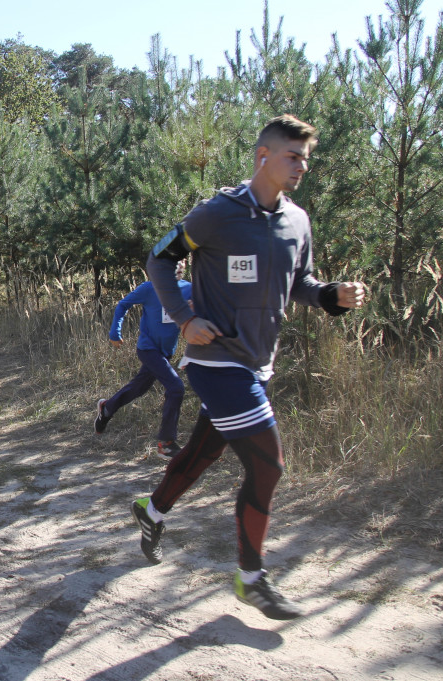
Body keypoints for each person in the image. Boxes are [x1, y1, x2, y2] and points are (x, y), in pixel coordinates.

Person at [134, 115, 367, 620]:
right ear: (263, 155)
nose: (301, 165)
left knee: (200, 454)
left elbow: (299, 282)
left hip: (258, 363)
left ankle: (151, 511)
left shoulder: (297, 221)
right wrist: (185, 317)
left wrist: (331, 295)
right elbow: (159, 260)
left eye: (305, 157)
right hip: (216, 362)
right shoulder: (217, 213)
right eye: (293, 156)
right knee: (268, 464)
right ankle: (251, 579)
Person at [94, 260, 192, 459]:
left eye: (181, 262)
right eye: (174, 261)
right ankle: (166, 442)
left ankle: (107, 408)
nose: (178, 266)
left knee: (139, 387)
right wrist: (115, 331)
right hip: (147, 349)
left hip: (166, 351)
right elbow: (123, 305)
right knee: (176, 388)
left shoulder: (189, 289)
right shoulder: (150, 288)